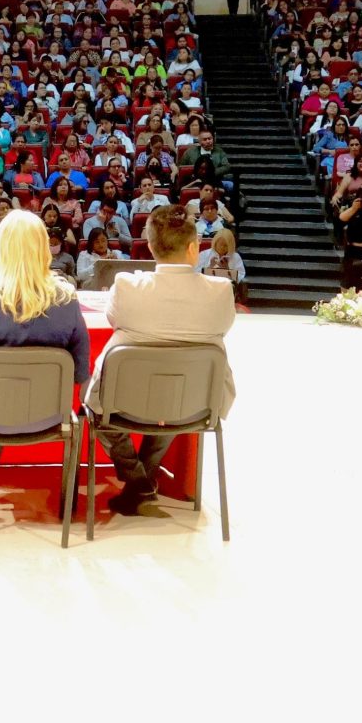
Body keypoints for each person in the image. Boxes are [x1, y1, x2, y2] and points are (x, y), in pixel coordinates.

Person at [0, 208, 90, 508]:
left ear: (0, 247)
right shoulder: (67, 297)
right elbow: (80, 370)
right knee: (3, 388)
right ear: (42, 248)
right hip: (49, 415)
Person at [95, 204, 237, 518]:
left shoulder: (127, 285)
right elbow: (224, 327)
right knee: (176, 394)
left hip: (126, 401)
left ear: (149, 247)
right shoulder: (221, 291)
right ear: (193, 248)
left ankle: (138, 484)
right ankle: (142, 485)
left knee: (96, 410)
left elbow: (113, 320)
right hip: (197, 402)